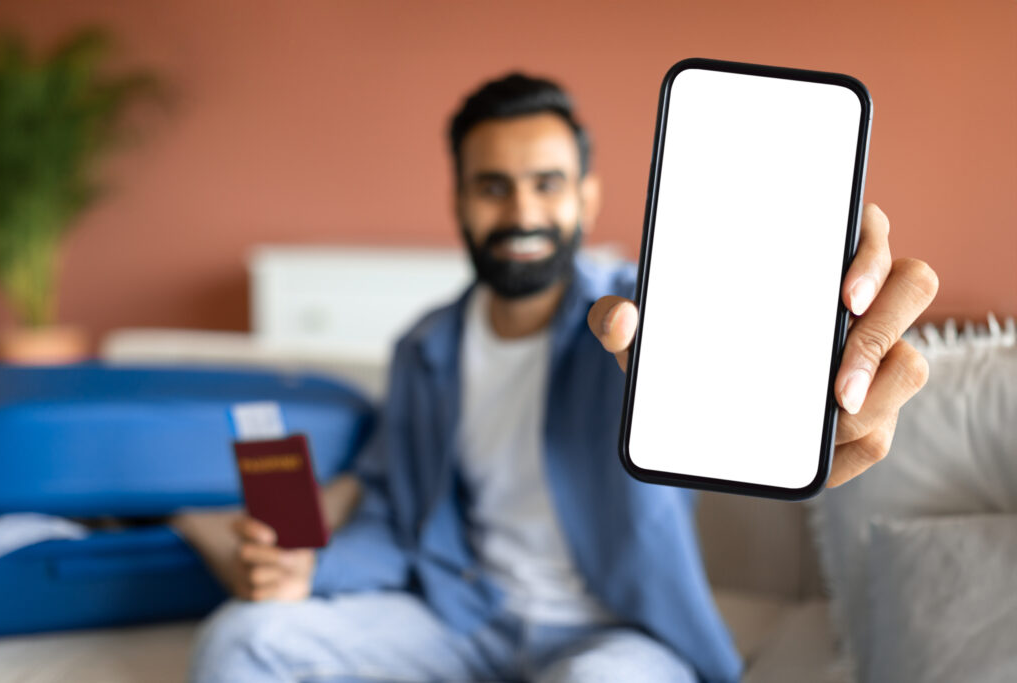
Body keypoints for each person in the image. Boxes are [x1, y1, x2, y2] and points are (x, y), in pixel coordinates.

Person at [186, 73, 938, 682]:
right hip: (459, 622)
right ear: (458, 201)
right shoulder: (423, 347)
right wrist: (308, 569)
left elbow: (727, 332)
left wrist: (814, 337)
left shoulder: (646, 314)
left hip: (616, 636)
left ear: (587, 195)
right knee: (244, 638)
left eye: (548, 183)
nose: (522, 210)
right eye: (493, 187)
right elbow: (395, 506)